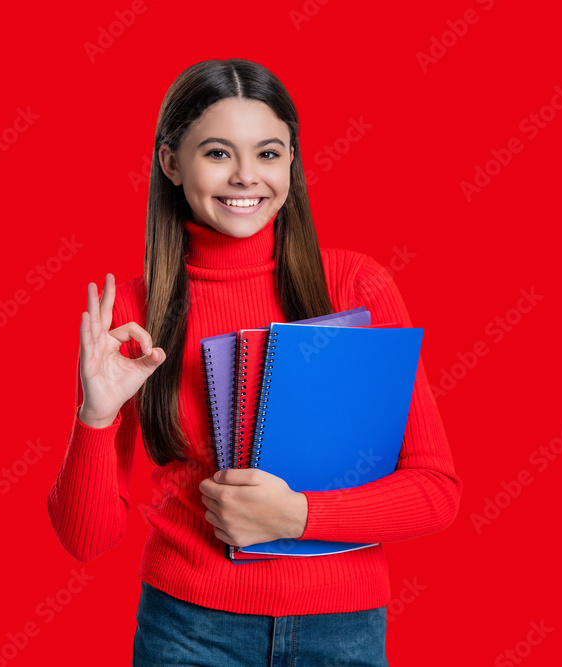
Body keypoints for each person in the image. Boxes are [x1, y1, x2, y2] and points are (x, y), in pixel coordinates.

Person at [46, 58, 462, 666]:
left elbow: (436, 492)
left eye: (269, 154)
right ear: (170, 161)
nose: (246, 177)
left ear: (292, 160)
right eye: (217, 153)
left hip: (341, 633)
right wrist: (95, 416)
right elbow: (86, 541)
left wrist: (298, 515)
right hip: (188, 630)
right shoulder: (134, 310)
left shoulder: (354, 286)